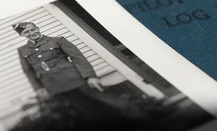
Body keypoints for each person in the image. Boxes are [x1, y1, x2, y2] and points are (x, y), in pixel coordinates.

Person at [13, 22, 159, 130]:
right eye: (27, 32)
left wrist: (90, 76)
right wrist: (39, 88)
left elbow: (78, 58)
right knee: (90, 111)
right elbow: (29, 71)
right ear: (21, 35)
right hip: (56, 87)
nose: (32, 33)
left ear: (38, 28)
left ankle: (149, 123)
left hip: (77, 79)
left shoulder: (57, 40)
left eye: (33, 29)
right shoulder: (23, 50)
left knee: (111, 102)